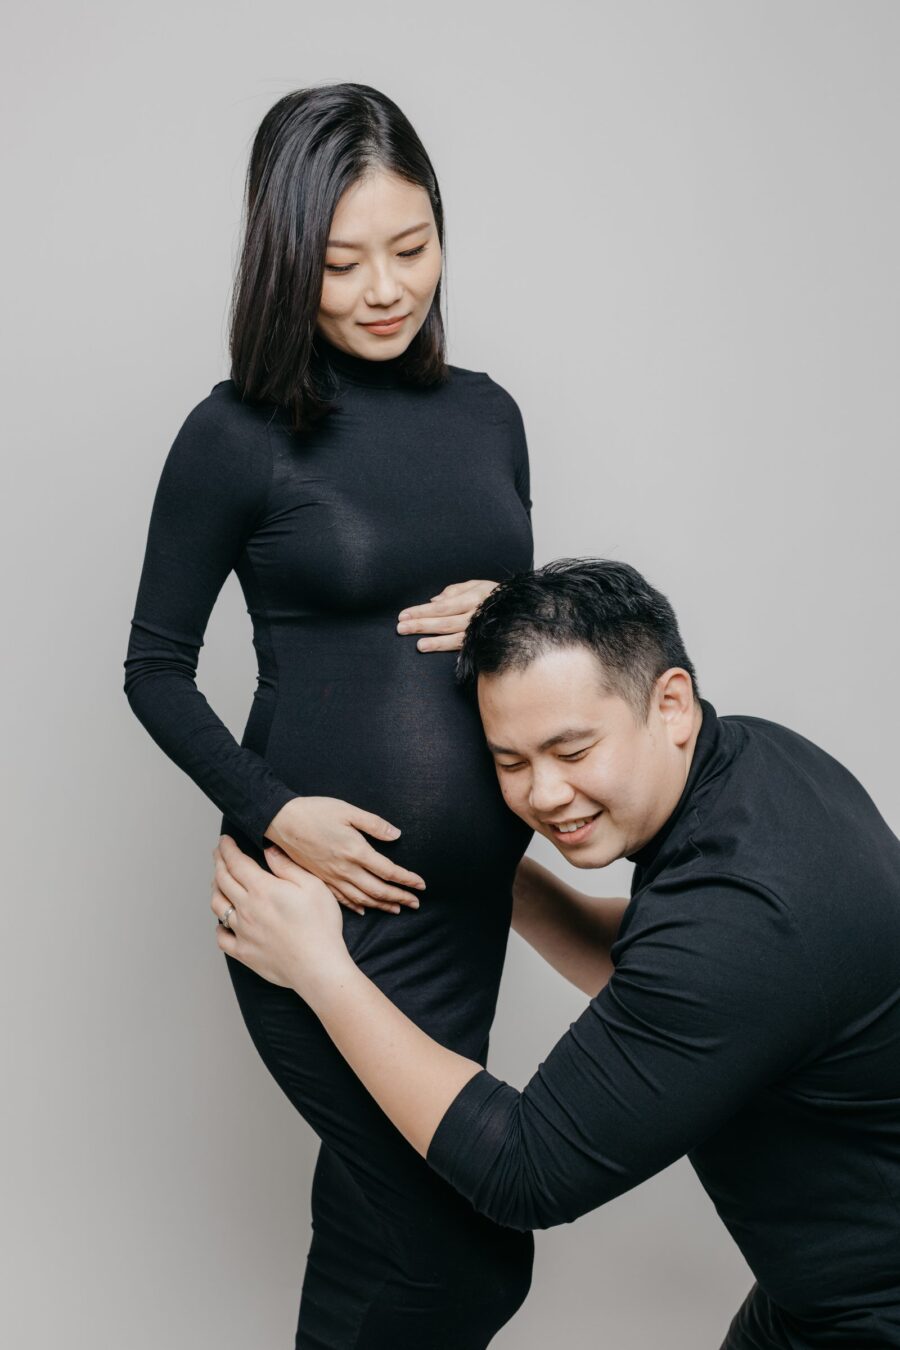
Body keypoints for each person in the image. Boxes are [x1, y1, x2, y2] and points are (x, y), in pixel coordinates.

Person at [212, 558, 900, 1350]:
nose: (542, 795)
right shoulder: (758, 768)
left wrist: (319, 969)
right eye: (510, 762)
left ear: (670, 703)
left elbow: (524, 1170)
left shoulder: (748, 920)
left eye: (572, 752)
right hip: (813, 1300)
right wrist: (501, 882)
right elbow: (667, 978)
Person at [124, 84, 535, 1348]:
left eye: (410, 248)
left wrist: (517, 617)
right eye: (340, 261)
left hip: (465, 918)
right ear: (284, 260)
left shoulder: (490, 415)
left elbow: (540, 657)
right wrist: (275, 813)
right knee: (464, 1259)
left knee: (373, 1239)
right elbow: (154, 667)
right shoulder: (235, 432)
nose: (382, 288)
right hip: (322, 918)